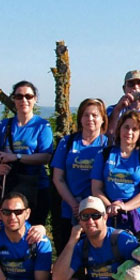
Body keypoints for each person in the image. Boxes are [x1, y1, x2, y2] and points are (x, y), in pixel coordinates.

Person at [0, 80, 54, 226]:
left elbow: (46, 157)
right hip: (10, 184)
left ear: (35, 99)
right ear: (14, 99)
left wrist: (16, 157)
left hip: (36, 186)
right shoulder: (4, 125)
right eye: (19, 97)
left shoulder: (42, 126)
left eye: (28, 96)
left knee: (34, 230)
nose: (24, 100)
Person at [91, 110, 140, 242]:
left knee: (136, 261)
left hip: (138, 221)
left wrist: (124, 207)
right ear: (119, 128)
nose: (129, 132)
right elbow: (96, 188)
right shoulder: (104, 155)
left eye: (135, 129)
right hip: (108, 216)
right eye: (126, 127)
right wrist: (111, 206)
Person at [51, 97, 111, 247]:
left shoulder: (109, 145)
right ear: (80, 118)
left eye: (95, 115)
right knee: (70, 254)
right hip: (70, 209)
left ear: (103, 119)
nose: (90, 119)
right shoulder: (68, 142)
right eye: (86, 114)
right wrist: (74, 205)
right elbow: (58, 178)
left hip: (98, 212)